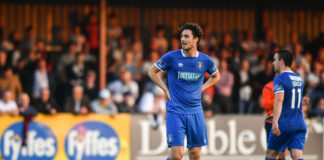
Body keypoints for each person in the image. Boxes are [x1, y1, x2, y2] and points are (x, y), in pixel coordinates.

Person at [148, 23, 220, 160]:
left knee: (195, 154)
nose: (183, 39)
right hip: (176, 111)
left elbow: (216, 76)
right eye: (181, 36)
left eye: (187, 36)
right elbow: (151, 71)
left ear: (196, 39)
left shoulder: (205, 60)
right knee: (177, 155)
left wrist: (202, 88)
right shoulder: (171, 57)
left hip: (196, 111)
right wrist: (164, 89)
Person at [266, 49, 307, 160]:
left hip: (284, 124)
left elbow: (279, 100)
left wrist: (275, 121)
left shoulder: (279, 78)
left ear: (282, 61)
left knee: (271, 155)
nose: (272, 63)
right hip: (299, 124)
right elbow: (293, 102)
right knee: (297, 156)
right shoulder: (299, 78)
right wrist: (275, 115)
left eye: (274, 60)